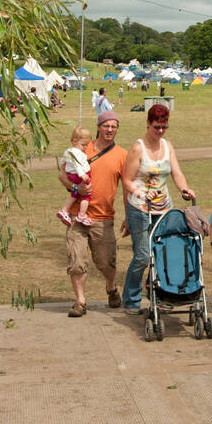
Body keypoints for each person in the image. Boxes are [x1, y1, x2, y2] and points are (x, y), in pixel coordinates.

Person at [121, 103, 194, 315]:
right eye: (156, 127)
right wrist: (141, 193)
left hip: (163, 209)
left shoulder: (167, 147)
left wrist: (184, 189)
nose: (160, 131)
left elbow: (176, 173)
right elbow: (126, 180)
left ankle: (161, 294)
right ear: (148, 124)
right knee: (143, 256)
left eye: (164, 127)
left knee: (163, 254)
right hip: (140, 208)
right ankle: (131, 298)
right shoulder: (137, 148)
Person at [61, 111, 128, 318]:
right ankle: (80, 301)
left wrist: (128, 217)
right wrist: (75, 188)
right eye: (106, 126)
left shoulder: (122, 155)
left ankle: (110, 287)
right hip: (77, 217)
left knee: (106, 263)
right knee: (76, 262)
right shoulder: (82, 148)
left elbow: (126, 188)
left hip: (103, 217)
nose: (110, 130)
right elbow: (62, 175)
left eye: (114, 126)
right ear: (98, 127)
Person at [57, 126, 93, 226]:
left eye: (87, 145)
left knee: (75, 194)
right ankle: (82, 215)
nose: (85, 147)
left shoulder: (67, 151)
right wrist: (82, 175)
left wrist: (63, 169)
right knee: (87, 195)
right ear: (74, 141)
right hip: (80, 176)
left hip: (72, 176)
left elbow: (61, 162)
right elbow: (77, 165)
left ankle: (64, 210)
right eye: (83, 145)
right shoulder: (77, 153)